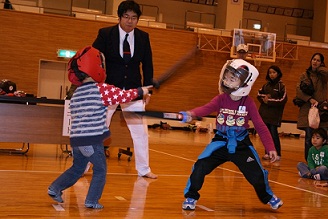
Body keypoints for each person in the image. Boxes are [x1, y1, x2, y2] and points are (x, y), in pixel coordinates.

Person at [47, 46, 151, 209]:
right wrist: (141, 90)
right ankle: (91, 200)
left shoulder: (77, 92)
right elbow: (123, 96)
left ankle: (55, 188)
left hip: (76, 141)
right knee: (101, 170)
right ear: (98, 67)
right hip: (91, 140)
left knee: (77, 167)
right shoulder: (101, 89)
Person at [179, 59, 283, 211]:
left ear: (245, 84)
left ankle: (268, 197)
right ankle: (191, 196)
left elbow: (260, 126)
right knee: (199, 166)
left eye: (232, 79)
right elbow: (206, 109)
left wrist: (270, 147)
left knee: (257, 174)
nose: (227, 80)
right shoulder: (221, 98)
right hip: (220, 141)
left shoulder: (248, 103)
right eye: (226, 77)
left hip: (241, 144)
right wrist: (191, 114)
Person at [92, 0, 157, 179]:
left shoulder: (143, 37)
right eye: (126, 17)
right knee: (98, 129)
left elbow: (148, 65)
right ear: (119, 17)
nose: (130, 21)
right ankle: (84, 167)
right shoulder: (105, 34)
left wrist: (147, 90)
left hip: (134, 91)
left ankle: (144, 169)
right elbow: (94, 59)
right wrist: (96, 86)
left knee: (140, 133)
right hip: (109, 90)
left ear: (138, 20)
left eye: (134, 18)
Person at [296, 53, 328, 160]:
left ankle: (322, 161)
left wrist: (319, 69)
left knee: (323, 137)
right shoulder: (304, 75)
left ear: (322, 63)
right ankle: (309, 161)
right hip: (308, 110)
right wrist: (309, 99)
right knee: (310, 138)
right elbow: (298, 91)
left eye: (318, 60)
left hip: (322, 111)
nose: (315, 62)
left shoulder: (323, 76)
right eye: (314, 59)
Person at [257, 65, 287, 161]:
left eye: (274, 72)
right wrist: (264, 98)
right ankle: (267, 152)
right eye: (270, 73)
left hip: (274, 116)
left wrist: (269, 101)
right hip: (265, 114)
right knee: (266, 134)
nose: (272, 75)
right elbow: (259, 94)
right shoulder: (266, 85)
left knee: (274, 134)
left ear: (278, 73)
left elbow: (283, 100)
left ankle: (277, 153)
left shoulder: (281, 86)